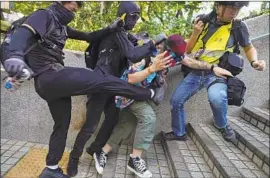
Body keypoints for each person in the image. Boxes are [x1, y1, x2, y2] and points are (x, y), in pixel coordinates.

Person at [2, 2, 161, 178]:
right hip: (49, 76)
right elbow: (23, 34)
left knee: (62, 125)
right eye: (72, 8)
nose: (74, 12)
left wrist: (110, 28)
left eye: (76, 9)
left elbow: (89, 37)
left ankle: (51, 169)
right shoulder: (44, 15)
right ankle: (148, 94)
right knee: (101, 83)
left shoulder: (62, 27)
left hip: (53, 85)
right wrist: (14, 56)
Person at [91, 34, 234, 178]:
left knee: (127, 124)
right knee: (148, 118)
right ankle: (135, 160)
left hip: (146, 94)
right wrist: (151, 69)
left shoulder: (174, 56)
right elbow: (129, 78)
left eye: (177, 56)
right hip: (130, 93)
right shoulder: (146, 54)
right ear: (164, 47)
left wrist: (213, 67)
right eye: (172, 55)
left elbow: (190, 62)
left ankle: (102, 151)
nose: (174, 59)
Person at [66, 2, 167, 177]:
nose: (135, 20)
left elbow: (134, 51)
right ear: (123, 15)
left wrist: (142, 42)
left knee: (112, 119)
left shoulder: (124, 34)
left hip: (114, 85)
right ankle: (73, 159)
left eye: (137, 16)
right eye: (133, 16)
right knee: (90, 126)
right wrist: (153, 41)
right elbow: (133, 55)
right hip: (101, 83)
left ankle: (96, 150)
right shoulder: (116, 31)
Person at [163, 1, 266, 142]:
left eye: (238, 8)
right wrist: (195, 33)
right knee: (175, 101)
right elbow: (187, 51)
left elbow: (248, 47)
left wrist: (254, 61)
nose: (234, 11)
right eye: (231, 7)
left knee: (217, 98)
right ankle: (179, 133)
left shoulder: (238, 26)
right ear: (218, 6)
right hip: (196, 71)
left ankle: (222, 125)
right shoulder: (203, 21)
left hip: (218, 73)